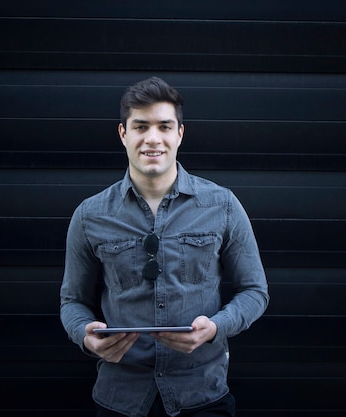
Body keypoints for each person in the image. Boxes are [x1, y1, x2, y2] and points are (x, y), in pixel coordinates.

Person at [60, 77, 269, 417]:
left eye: (164, 126)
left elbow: (255, 291)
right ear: (123, 134)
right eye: (140, 126)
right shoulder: (90, 215)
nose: (152, 138)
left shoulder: (223, 205)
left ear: (180, 134)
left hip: (203, 396)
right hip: (120, 399)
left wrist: (216, 328)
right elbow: (72, 301)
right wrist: (85, 336)